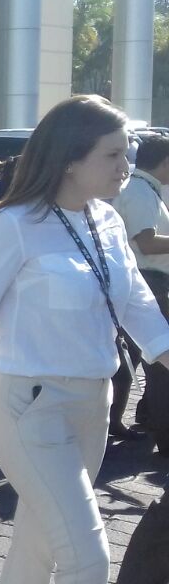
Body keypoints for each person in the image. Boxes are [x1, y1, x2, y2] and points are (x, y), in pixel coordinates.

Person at [0, 95, 169, 583]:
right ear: (71, 159)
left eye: (128, 152)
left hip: (92, 402)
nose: (127, 166)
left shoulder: (109, 221)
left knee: (38, 542)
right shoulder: (13, 224)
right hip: (27, 404)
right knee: (87, 556)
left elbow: (141, 308)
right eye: (113, 155)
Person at [111, 132, 169, 442]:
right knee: (155, 362)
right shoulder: (141, 192)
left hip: (147, 279)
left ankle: (118, 419)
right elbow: (146, 242)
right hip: (148, 280)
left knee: (136, 356)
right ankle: (159, 428)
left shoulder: (146, 188)